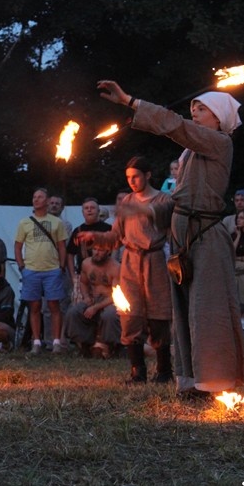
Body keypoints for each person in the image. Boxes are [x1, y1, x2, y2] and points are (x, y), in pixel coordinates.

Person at [97, 79, 244, 398]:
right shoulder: (190, 153)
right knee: (184, 313)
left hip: (205, 237)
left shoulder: (219, 142)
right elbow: (178, 198)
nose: (194, 112)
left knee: (208, 310)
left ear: (219, 118)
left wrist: (130, 101)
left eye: (202, 108)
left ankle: (215, 382)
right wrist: (142, 213)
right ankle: (190, 381)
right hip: (184, 239)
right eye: (193, 107)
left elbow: (174, 125)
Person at [78, 156, 174, 382]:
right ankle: (137, 371)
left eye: (136, 176)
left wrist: (136, 209)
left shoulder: (163, 200)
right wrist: (95, 237)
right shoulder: (128, 201)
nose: (132, 181)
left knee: (159, 316)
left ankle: (164, 372)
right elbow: (115, 237)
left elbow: (157, 213)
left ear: (148, 175)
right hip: (130, 264)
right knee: (130, 316)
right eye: (128, 178)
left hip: (155, 262)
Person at [15, 188, 68, 354]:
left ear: (47, 201)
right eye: (34, 196)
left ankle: (56, 342)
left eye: (40, 197)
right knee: (35, 306)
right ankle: (36, 342)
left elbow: (61, 246)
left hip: (52, 270)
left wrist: (61, 266)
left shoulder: (57, 222)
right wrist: (21, 266)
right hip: (31, 270)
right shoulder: (24, 222)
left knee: (54, 306)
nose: (36, 199)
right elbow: (18, 246)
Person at [63, 243, 122, 359]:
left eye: (100, 250)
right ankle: (84, 346)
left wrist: (96, 307)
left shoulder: (116, 267)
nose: (96, 252)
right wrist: (86, 297)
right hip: (92, 298)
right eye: (94, 249)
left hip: (110, 300)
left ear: (108, 252)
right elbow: (83, 282)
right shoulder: (86, 263)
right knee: (73, 312)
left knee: (109, 316)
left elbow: (116, 295)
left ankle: (113, 347)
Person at [65, 197, 112, 301]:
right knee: (79, 308)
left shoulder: (108, 229)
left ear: (98, 211)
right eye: (86, 208)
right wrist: (73, 276)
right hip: (83, 276)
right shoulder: (78, 231)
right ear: (82, 212)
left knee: (105, 308)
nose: (89, 210)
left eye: (92, 208)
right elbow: (70, 254)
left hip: (106, 274)